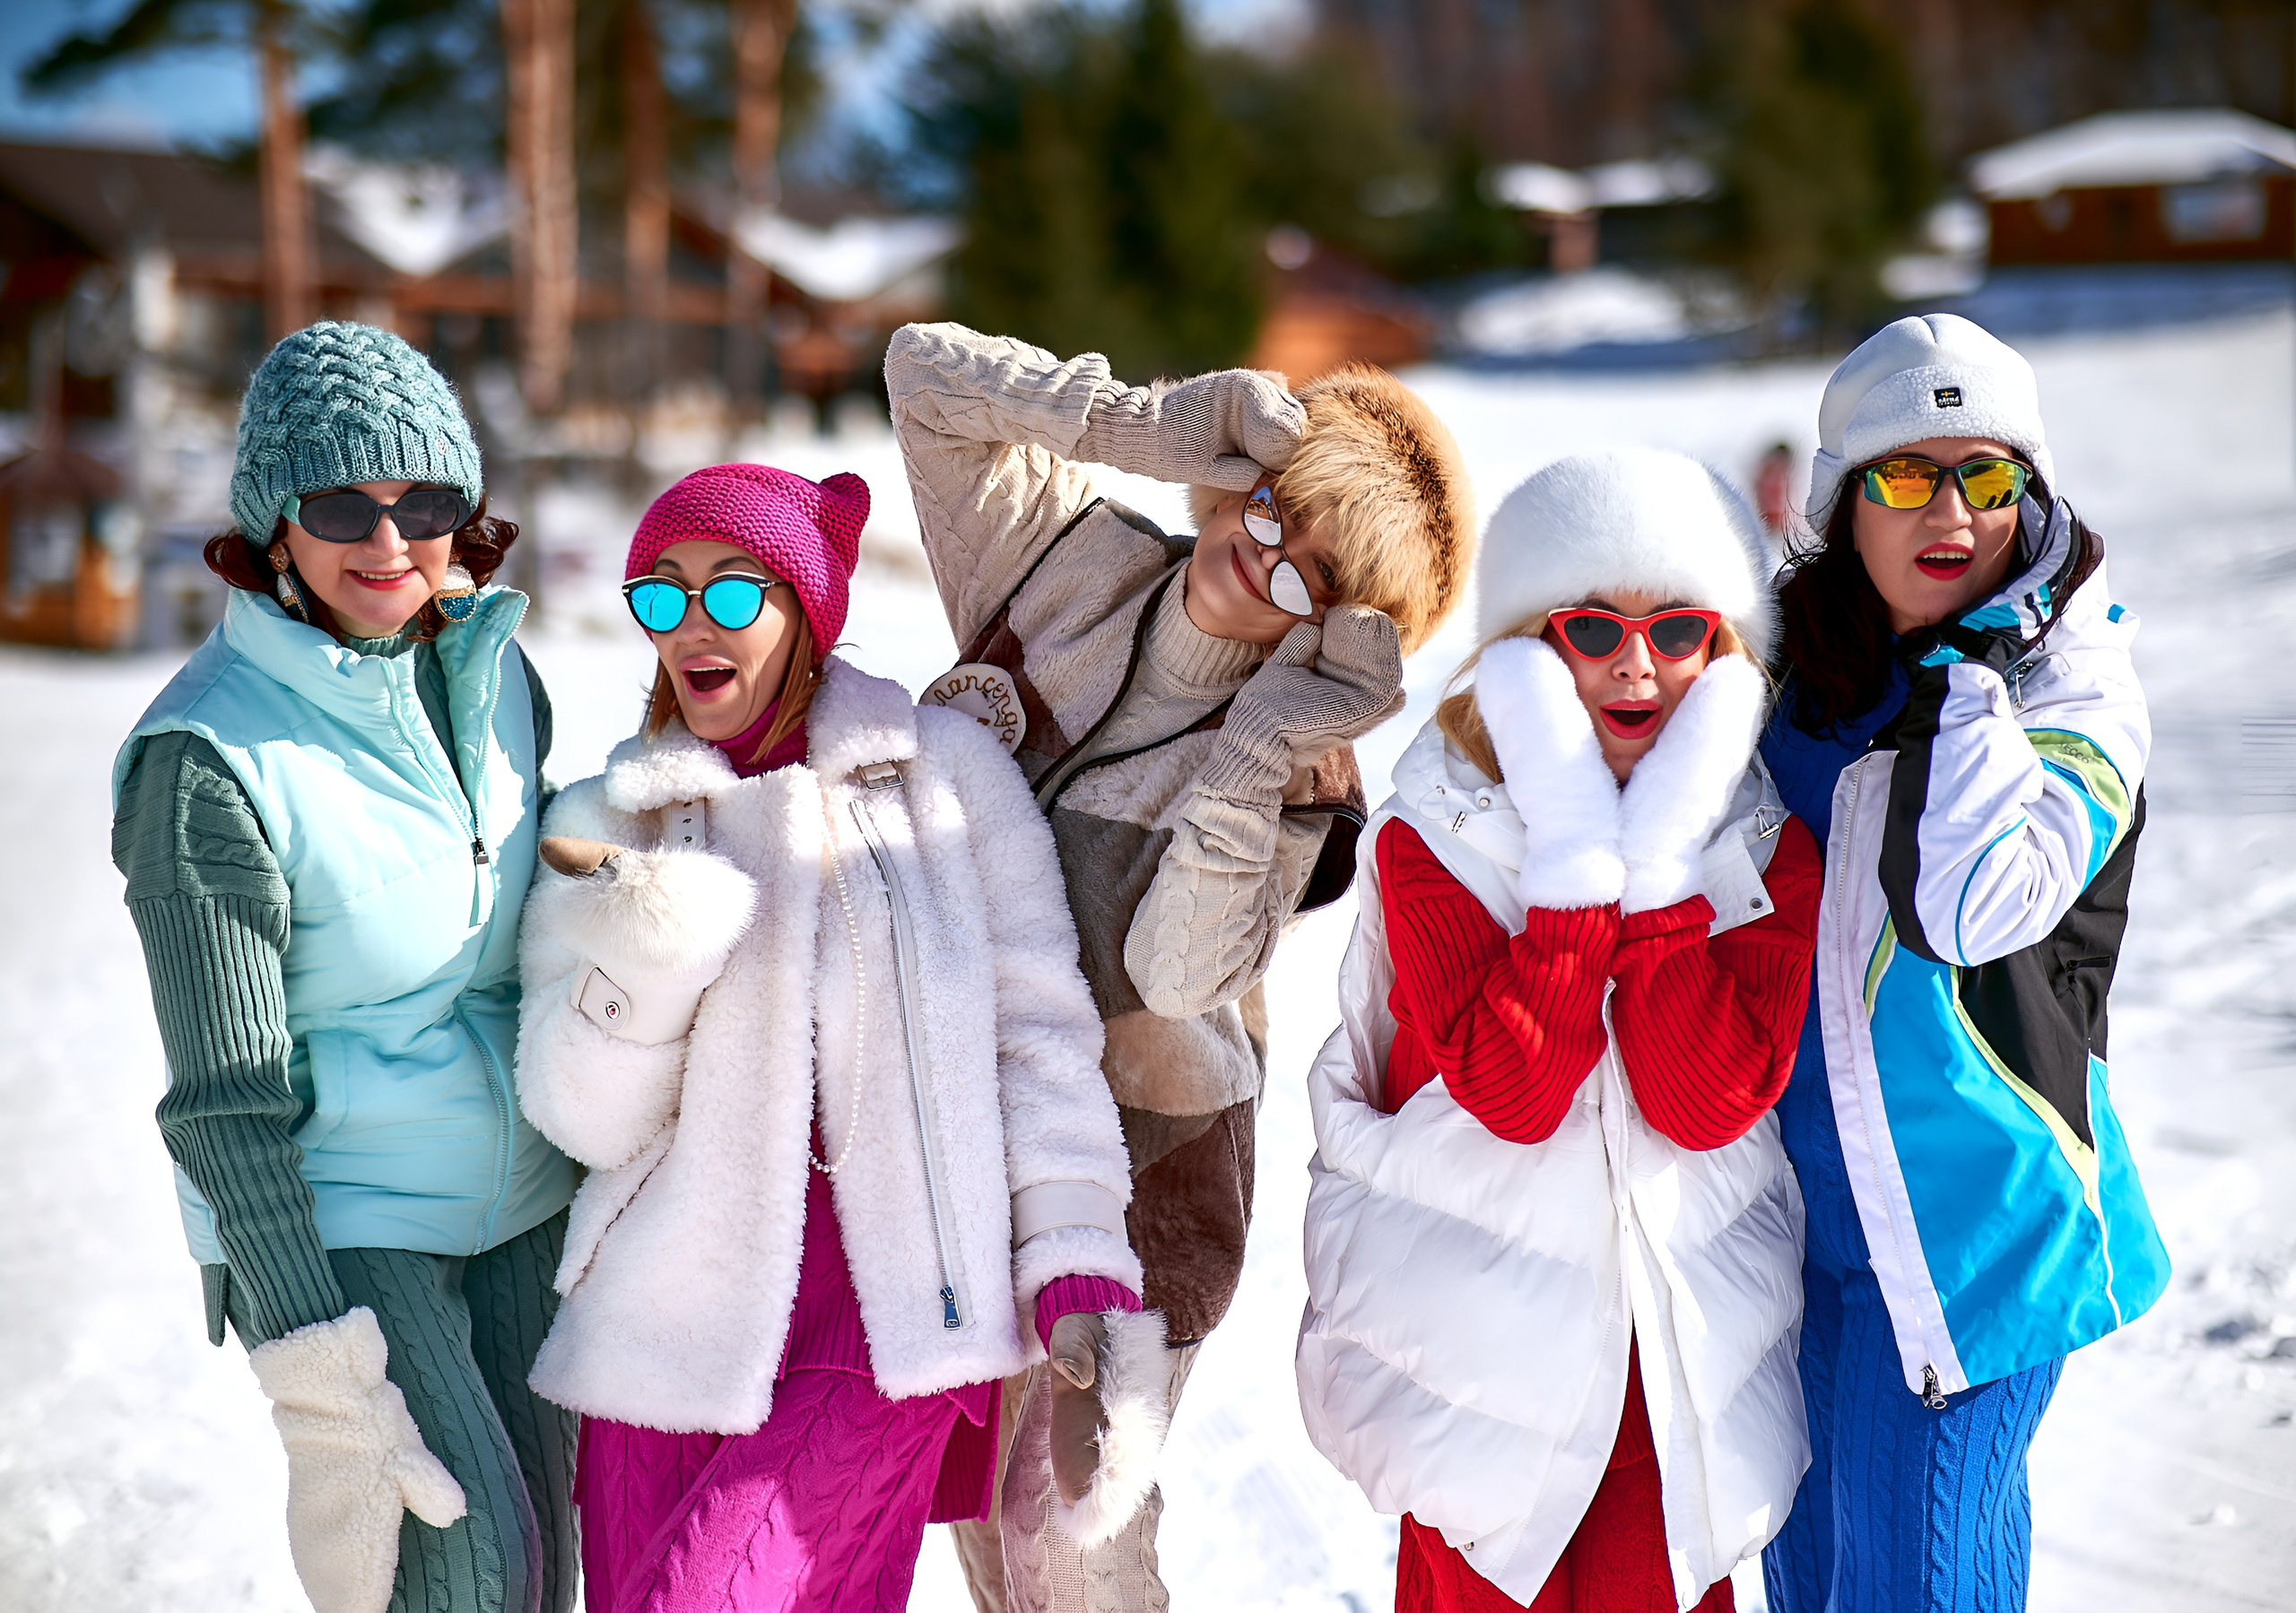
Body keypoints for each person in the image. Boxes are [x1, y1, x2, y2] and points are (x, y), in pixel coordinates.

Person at [883, 322, 1475, 1612]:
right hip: (953, 1141)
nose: (1262, 559)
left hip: (1141, 1174)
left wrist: (1258, 743)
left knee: (1071, 1538)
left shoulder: (1299, 775)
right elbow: (922, 378)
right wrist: (1138, 425)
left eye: (1316, 577)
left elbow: (1170, 967)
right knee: (986, 1531)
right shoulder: (1063, 565)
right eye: (1274, 511)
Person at [511, 463, 1161, 1613]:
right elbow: (582, 1117)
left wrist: (1073, 1260)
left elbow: (1036, 1040)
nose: (690, 626)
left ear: (806, 610)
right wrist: (653, 952)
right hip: (657, 1340)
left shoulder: (944, 780)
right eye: (660, 596)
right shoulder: (611, 819)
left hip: (890, 1327)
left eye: (729, 591)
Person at [1297, 447, 1822, 1613]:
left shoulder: (1762, 853)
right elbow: (1514, 1088)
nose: (1638, 661)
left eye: (1681, 629)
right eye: (1592, 630)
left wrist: (1661, 875)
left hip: (1677, 1393)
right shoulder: (1432, 833)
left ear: (1728, 654)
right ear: (1527, 653)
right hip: (1477, 1394)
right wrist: (1579, 874)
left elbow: (1704, 1099)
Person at [111, 322, 577, 1613]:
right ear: (274, 527)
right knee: (469, 1573)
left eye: (424, 500)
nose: (389, 544)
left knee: (552, 1573)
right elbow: (225, 1102)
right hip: (347, 1207)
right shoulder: (206, 759)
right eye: (339, 505)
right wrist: (322, 1374)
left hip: (529, 1192)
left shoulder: (500, 675)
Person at [1756, 315, 2170, 1611]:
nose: (1950, 510)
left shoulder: (2072, 687)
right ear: (1843, 501)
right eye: (1904, 474)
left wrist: (1972, 672)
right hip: (1799, 1228)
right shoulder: (1793, 677)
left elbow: (1980, 904)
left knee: (1914, 1587)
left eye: (1985, 476)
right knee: (1810, 1578)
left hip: (1971, 1232)